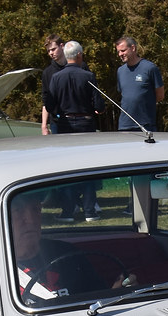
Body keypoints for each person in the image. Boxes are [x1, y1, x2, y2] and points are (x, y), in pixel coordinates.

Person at [50, 41, 105, 220]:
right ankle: (89, 210)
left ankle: (68, 211)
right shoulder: (88, 76)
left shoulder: (56, 78)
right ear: (80, 55)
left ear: (66, 56)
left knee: (67, 169)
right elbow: (99, 105)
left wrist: (58, 114)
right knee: (87, 168)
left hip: (65, 125)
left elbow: (50, 104)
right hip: (86, 124)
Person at [115, 36, 164, 131]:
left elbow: (160, 96)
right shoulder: (120, 71)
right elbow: (124, 95)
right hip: (125, 126)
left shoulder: (150, 68)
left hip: (145, 125)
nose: (120, 54)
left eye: (123, 50)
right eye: (118, 52)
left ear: (133, 48)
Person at [41, 34, 66, 135]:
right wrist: (44, 125)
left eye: (53, 49)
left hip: (77, 119)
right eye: (48, 51)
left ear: (62, 46)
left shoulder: (76, 66)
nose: (51, 53)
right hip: (56, 122)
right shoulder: (47, 72)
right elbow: (45, 99)